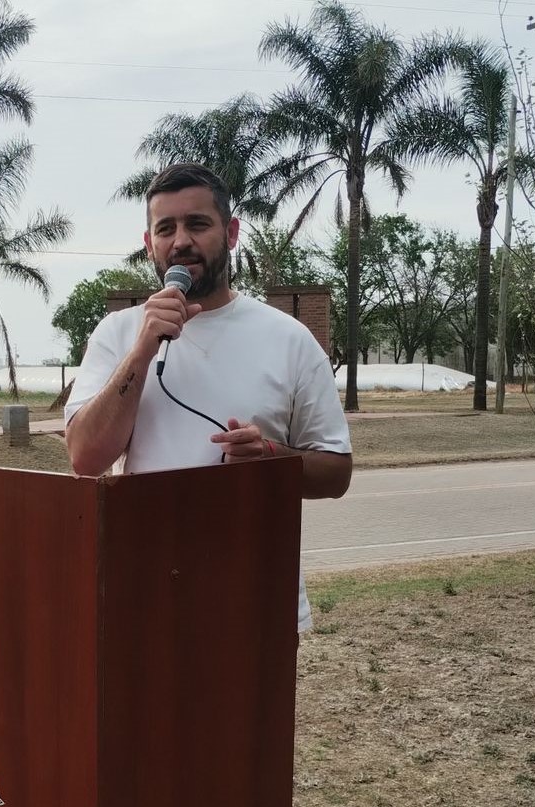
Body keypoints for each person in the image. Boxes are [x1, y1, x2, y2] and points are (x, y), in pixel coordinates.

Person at [65, 162, 352, 633]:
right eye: (166, 229)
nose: (181, 241)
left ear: (231, 233)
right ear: (149, 244)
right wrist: (143, 348)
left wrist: (270, 457)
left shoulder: (289, 339)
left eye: (197, 224)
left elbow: (337, 472)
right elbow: (85, 457)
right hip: (143, 597)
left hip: (255, 600)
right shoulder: (117, 334)